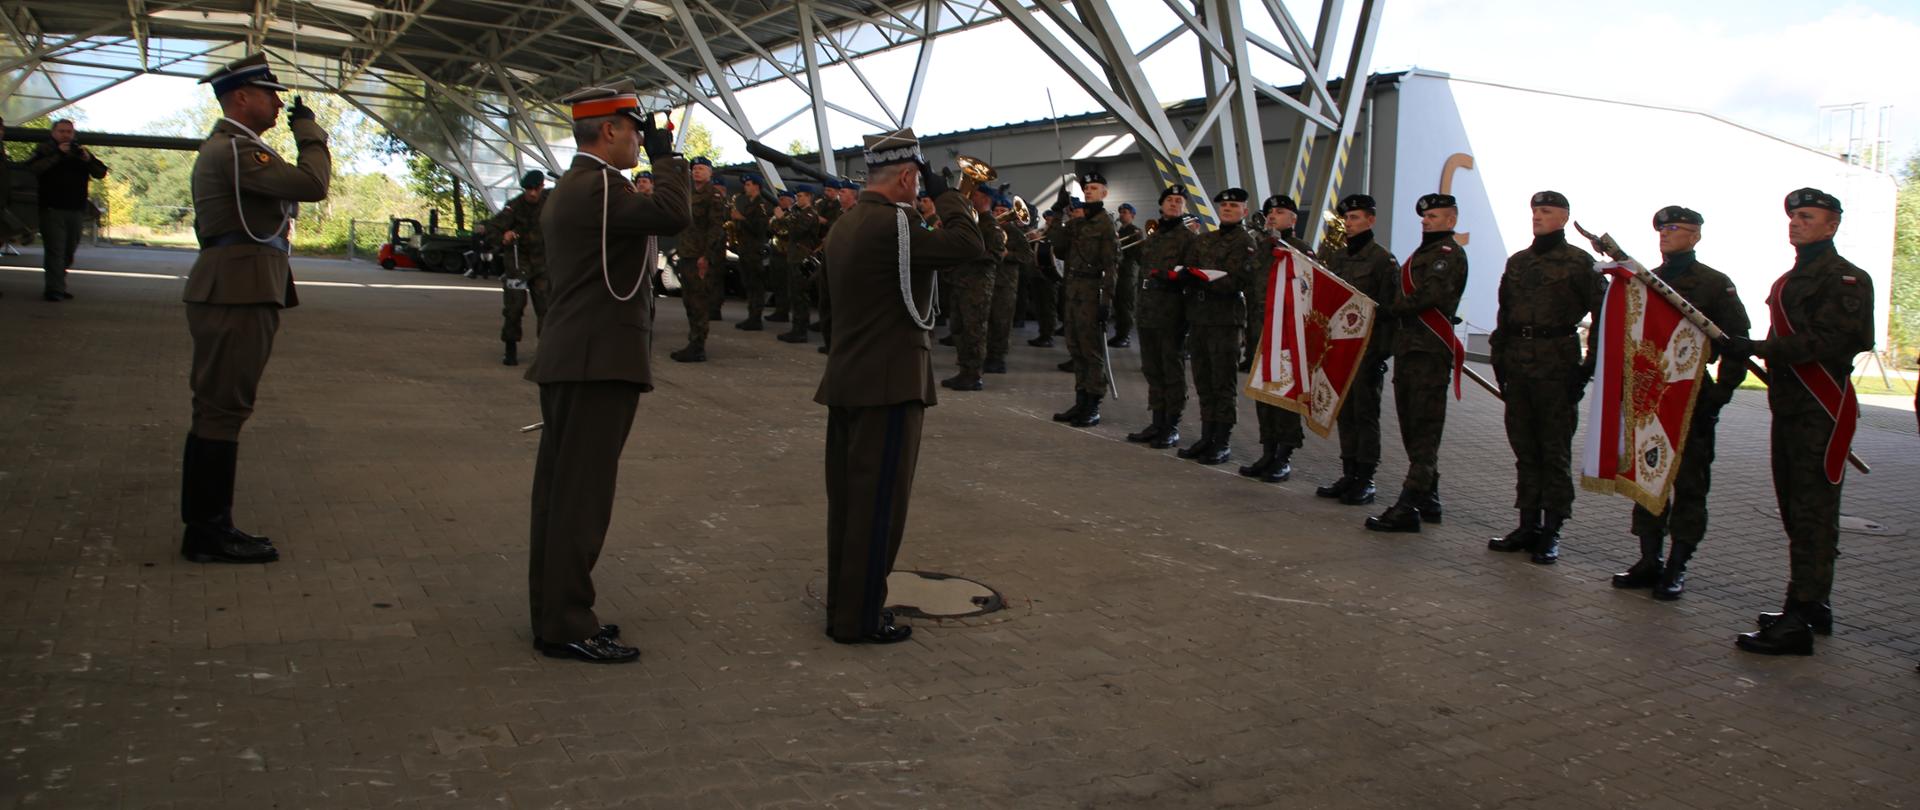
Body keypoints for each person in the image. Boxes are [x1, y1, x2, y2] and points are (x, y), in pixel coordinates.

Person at [525, 82, 689, 663]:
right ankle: (566, 621)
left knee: (562, 492)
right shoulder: (598, 186)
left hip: (580, 356)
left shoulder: (582, 185)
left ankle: (555, 611)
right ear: (611, 130)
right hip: (594, 361)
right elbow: (674, 213)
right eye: (634, 128)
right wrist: (669, 159)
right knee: (581, 497)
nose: (640, 139)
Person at [817, 129, 985, 644]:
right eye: (919, 181)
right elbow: (969, 245)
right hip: (888, 385)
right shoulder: (894, 222)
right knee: (878, 507)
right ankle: (859, 619)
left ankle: (846, 606)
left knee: (850, 505)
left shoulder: (846, 223)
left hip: (850, 379)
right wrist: (950, 194)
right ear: (910, 177)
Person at [178, 53, 330, 564]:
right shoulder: (236, 150)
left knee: (222, 408)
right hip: (235, 290)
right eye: (270, 93)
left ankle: (208, 526)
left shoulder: (239, 148)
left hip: (239, 288)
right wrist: (310, 133)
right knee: (222, 410)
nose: (280, 102)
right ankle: (208, 532)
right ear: (241, 98)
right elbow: (312, 184)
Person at [1721, 188, 1873, 656]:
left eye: (1807, 217)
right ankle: (1812, 602)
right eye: (1793, 216)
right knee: (1795, 508)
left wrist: (1757, 350)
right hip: (1790, 405)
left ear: (1832, 226)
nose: (1796, 223)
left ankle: (1800, 618)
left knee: (1812, 513)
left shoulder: (1846, 278)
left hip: (1819, 407)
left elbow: (1830, 342)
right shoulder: (1794, 276)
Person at [1610, 206, 1748, 600]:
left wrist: (1722, 392)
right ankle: (1648, 558)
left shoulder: (1713, 283)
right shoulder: (1645, 281)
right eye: (1662, 228)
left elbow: (1736, 340)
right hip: (1650, 396)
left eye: (1675, 228)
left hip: (1690, 398)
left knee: (1690, 484)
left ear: (1695, 236)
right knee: (1647, 477)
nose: (1666, 234)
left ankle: (1678, 564)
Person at [1485, 191, 1602, 564]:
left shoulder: (1581, 263)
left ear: (1564, 217)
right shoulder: (1518, 262)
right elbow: (1505, 313)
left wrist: (1587, 369)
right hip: (1518, 363)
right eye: (1535, 210)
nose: (1537, 216)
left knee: (1553, 450)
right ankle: (1527, 524)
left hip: (1557, 364)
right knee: (1524, 448)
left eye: (1546, 211)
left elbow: (1604, 317)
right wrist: (1499, 357)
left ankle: (1552, 529)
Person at [1365, 194, 1468, 533]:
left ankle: (1408, 505)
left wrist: (1389, 309)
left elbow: (1429, 296)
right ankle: (1429, 498)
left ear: (1450, 221)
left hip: (1428, 352)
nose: (1426, 221)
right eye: (1425, 217)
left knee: (1424, 428)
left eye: (1434, 216)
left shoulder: (1449, 255)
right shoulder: (1420, 255)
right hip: (1409, 350)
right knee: (1411, 425)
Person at [1314, 194, 1398, 505]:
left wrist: (1381, 353)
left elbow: (1390, 311)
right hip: (1338, 349)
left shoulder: (1382, 260)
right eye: (1347, 219)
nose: (1349, 224)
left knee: (1365, 414)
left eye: (1356, 218)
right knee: (1344, 412)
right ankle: (1348, 472)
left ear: (1371, 221)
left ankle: (1366, 478)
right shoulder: (1338, 258)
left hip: (1367, 350)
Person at [1174, 188, 1260, 465]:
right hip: (1200, 317)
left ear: (1244, 211)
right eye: (1224, 205)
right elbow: (1188, 266)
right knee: (1203, 379)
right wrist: (1192, 276)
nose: (1227, 209)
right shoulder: (1206, 239)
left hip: (1225, 319)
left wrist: (1205, 278)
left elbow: (1239, 280)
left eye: (1233, 206)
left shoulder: (1246, 243)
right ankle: (1206, 435)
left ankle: (1221, 440)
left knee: (1223, 382)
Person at [1124, 186, 1201, 449]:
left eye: (1179, 201)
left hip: (1172, 312)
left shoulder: (1188, 239)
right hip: (1147, 310)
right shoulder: (1153, 237)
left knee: (1171, 368)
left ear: (1184, 208)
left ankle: (1171, 425)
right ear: (1161, 204)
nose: (1174, 204)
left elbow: (1190, 275)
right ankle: (1156, 421)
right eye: (1170, 200)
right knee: (1151, 367)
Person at [1239, 194, 1308, 482]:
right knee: (1264, 393)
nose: (1272, 216)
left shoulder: (1301, 250)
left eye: (1279, 212)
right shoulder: (1262, 248)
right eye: (1269, 212)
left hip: (1288, 336)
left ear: (1292, 219)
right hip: (1260, 331)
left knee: (1284, 396)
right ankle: (1267, 450)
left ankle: (1284, 455)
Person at [1051, 173, 1120, 427]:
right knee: (1075, 348)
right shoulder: (1078, 222)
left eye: (1094, 188)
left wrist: (1106, 301)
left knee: (1091, 351)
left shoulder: (1105, 224)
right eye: (1086, 188)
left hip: (1092, 293)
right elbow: (1057, 246)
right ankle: (1080, 400)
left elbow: (1111, 266)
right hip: (1073, 291)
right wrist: (1059, 213)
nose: (1089, 191)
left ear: (1104, 193)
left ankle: (1093, 405)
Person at [26, 118, 109, 301]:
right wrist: (57, 154)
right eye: (62, 131)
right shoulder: (45, 150)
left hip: (76, 208)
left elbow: (101, 172)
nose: (66, 135)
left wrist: (88, 160)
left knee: (68, 250)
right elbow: (32, 169)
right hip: (52, 208)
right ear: (53, 133)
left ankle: (58, 284)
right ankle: (54, 289)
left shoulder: (80, 152)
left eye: (69, 132)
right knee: (55, 249)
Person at [941, 180, 1007, 391]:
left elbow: (996, 254)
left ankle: (974, 374)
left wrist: (970, 252)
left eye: (976, 195)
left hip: (977, 286)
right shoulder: (972, 222)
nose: (971, 197)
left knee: (974, 330)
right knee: (958, 328)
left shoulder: (991, 225)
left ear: (986, 199)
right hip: (961, 281)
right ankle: (964, 370)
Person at [488, 170, 550, 366]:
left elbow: (569, 193)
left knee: (547, 309)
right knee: (514, 308)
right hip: (517, 264)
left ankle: (547, 350)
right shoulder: (514, 207)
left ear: (542, 187)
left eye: (536, 189)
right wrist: (503, 237)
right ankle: (510, 348)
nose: (532, 193)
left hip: (542, 265)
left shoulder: (550, 199)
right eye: (528, 189)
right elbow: (492, 229)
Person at [671, 157, 726, 362]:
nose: (697, 172)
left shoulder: (714, 196)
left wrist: (706, 257)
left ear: (710, 173)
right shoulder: (689, 193)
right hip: (687, 253)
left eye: (702, 168)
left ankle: (698, 346)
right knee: (689, 300)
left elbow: (715, 229)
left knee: (699, 302)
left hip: (699, 256)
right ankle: (693, 342)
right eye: (694, 168)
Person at [985, 192, 1030, 374]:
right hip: (989, 281)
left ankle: (998, 359)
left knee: (1001, 323)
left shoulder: (1014, 232)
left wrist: (1008, 255)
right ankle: (989, 355)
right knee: (988, 321)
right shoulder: (990, 229)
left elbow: (1027, 256)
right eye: (997, 210)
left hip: (1006, 284)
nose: (1000, 213)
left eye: (1004, 210)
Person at [777, 185, 824, 345]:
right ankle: (797, 328)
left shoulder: (809, 214)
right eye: (797, 196)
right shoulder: (798, 213)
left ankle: (800, 331)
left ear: (809, 197)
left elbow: (797, 231)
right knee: (795, 294)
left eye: (802, 196)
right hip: (794, 256)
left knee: (800, 295)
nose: (798, 199)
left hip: (802, 258)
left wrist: (782, 218)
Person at [730, 174, 775, 330]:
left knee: (756, 284)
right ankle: (751, 316)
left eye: (748, 184)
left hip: (754, 249)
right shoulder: (749, 204)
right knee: (748, 283)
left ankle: (755, 318)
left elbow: (761, 228)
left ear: (757, 186)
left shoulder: (761, 205)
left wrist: (742, 218)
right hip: (745, 248)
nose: (745, 187)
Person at [1026, 209, 1062, 348]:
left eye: (1050, 218)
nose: (1047, 220)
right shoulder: (1043, 230)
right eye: (1046, 218)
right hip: (1037, 272)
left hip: (1048, 274)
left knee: (1048, 305)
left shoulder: (1056, 233)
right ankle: (1043, 333)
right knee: (1040, 306)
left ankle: (1048, 335)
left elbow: (1053, 247)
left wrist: (1037, 238)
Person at [1110, 202, 1142, 348]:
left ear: (1132, 215)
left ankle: (1125, 336)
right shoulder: (1119, 231)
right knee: (1118, 304)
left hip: (1128, 272)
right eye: (1121, 212)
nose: (1122, 214)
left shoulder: (1135, 231)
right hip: (1117, 271)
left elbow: (1136, 254)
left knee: (1126, 304)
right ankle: (1119, 333)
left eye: (1125, 212)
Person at [767, 187, 796, 323]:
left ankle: (783, 311)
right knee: (777, 282)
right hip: (775, 251)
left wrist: (780, 218)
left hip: (785, 253)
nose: (780, 201)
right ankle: (779, 309)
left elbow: (785, 232)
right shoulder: (778, 213)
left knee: (785, 284)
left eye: (783, 199)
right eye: (779, 199)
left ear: (791, 200)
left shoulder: (792, 215)